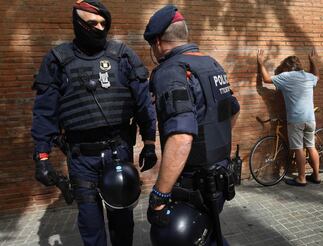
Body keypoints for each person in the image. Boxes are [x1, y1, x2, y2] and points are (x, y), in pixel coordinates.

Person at [31, 1, 157, 245]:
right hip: (81, 158)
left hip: (118, 151)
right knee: (90, 224)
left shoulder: (122, 56)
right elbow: (45, 112)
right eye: (92, 23)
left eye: (103, 23)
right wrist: (42, 156)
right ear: (77, 24)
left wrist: (150, 142)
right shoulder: (58, 60)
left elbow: (143, 103)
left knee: (122, 223)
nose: (99, 28)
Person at [143, 5, 240, 246]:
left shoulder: (170, 71)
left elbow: (181, 136)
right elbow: (233, 111)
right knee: (211, 235)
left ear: (157, 42)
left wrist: (160, 194)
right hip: (219, 178)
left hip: (191, 186)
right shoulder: (211, 64)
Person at [257, 49, 321, 186]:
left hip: (296, 120)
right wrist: (313, 61)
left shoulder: (286, 76)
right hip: (310, 118)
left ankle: (302, 178)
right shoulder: (308, 76)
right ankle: (316, 176)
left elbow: (266, 79)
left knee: (298, 148)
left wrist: (260, 62)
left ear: (287, 67)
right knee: (311, 146)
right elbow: (317, 75)